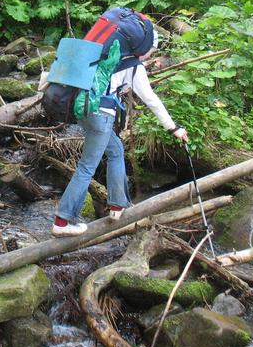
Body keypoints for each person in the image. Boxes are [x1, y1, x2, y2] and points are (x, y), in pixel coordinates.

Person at [52, 22, 189, 237]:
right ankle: (62, 221)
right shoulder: (132, 65)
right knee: (87, 167)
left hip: (84, 114)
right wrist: (174, 128)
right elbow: (151, 100)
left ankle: (117, 206)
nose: (150, 54)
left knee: (116, 151)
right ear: (142, 47)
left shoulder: (105, 56)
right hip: (101, 118)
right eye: (151, 50)